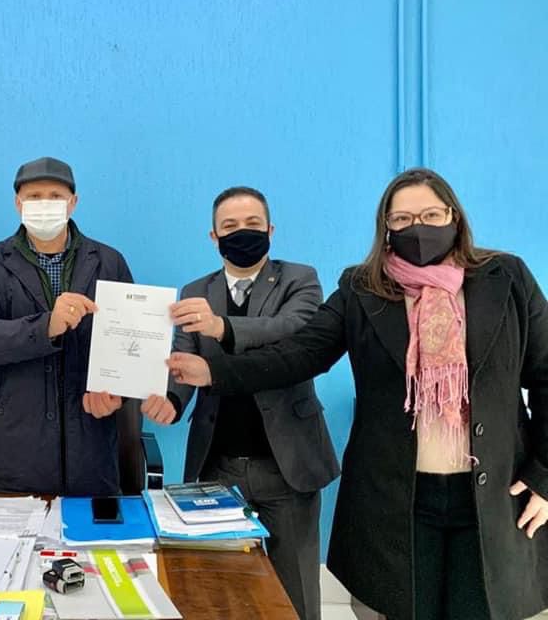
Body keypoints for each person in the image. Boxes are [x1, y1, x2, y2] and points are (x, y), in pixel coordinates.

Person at [168, 168, 548, 620]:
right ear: (386, 226)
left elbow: (545, 375)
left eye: (430, 215)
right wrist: (214, 371)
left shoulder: (506, 277)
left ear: (454, 216)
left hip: (492, 495)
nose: (417, 228)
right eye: (402, 219)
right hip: (398, 499)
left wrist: (544, 475)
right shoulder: (362, 287)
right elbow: (299, 354)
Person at [149, 186, 338, 620]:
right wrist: (172, 400)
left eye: (253, 224)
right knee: (219, 588)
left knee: (296, 592)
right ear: (214, 237)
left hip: (286, 464)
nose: (242, 233)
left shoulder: (300, 279)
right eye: (230, 226)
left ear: (270, 230)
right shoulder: (196, 289)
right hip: (216, 464)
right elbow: (183, 355)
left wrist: (222, 327)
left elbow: (294, 330)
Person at [0, 156, 148, 496]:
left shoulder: (108, 261)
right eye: (34, 196)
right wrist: (46, 326)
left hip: (90, 453)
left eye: (56, 196)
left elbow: (132, 343)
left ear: (73, 202)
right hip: (11, 455)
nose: (44, 204)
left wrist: (118, 394)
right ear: (18, 203)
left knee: (89, 531)